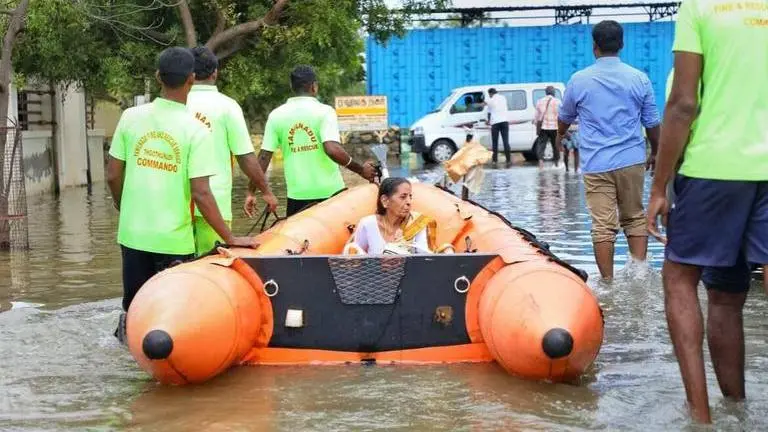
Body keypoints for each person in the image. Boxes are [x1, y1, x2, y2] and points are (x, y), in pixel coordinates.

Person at [647, 0, 768, 423]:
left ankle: (700, 418)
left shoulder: (699, 7)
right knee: (728, 293)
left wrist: (659, 186)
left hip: (715, 171)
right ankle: (737, 405)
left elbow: (682, 104)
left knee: (679, 276)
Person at [106, 47, 255, 338]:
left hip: (132, 235)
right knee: (172, 316)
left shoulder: (130, 117)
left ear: (158, 76)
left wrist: (124, 207)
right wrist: (231, 237)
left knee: (134, 309)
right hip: (173, 241)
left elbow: (112, 174)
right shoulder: (195, 129)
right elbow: (201, 193)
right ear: (190, 79)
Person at [556, 20, 661, 280]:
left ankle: (608, 282)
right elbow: (652, 123)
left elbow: (565, 116)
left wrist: (559, 134)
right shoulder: (639, 78)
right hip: (632, 160)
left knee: (602, 226)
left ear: (594, 47)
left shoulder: (579, 80)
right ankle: (639, 274)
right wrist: (656, 152)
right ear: (622, 44)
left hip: (597, 163)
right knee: (635, 217)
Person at [245, 65, 376, 218]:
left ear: (291, 87)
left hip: (297, 197)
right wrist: (361, 170)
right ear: (314, 86)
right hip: (331, 193)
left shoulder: (276, 115)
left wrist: (251, 192)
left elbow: (263, 158)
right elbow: (332, 149)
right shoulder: (325, 112)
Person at [186, 46, 278, 256]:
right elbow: (245, 156)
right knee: (209, 266)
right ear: (215, 72)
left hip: (175, 206)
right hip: (213, 204)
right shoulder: (227, 107)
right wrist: (265, 191)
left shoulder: (175, 104)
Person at [349, 177, 436, 255]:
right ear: (385, 200)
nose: (409, 202)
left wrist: (403, 245)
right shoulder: (368, 224)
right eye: (403, 197)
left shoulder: (416, 224)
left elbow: (424, 260)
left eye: (410, 197)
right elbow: (355, 257)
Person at [534, 86, 561, 168]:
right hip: (555, 127)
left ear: (546, 92)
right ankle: (556, 163)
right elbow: (560, 115)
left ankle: (541, 163)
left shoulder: (540, 101)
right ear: (553, 93)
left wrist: (536, 124)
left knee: (541, 145)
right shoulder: (558, 102)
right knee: (555, 145)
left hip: (543, 127)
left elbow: (537, 116)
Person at [484, 88, 511, 164]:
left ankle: (494, 160)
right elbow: (490, 110)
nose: (489, 96)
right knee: (506, 141)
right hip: (504, 122)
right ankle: (508, 160)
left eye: (489, 94)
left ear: (491, 93)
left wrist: (488, 121)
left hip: (495, 123)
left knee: (495, 142)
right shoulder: (503, 98)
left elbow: (488, 110)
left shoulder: (491, 100)